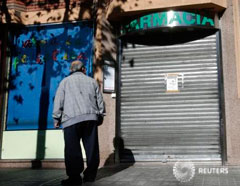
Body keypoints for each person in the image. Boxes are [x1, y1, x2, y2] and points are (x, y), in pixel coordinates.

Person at [52, 60, 105, 186]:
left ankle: (74, 178)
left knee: (72, 149)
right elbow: (100, 100)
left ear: (71, 70)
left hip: (71, 119)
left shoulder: (64, 82)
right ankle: (90, 176)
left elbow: (58, 101)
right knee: (92, 148)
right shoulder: (92, 81)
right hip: (90, 119)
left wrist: (56, 118)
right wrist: (100, 115)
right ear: (84, 70)